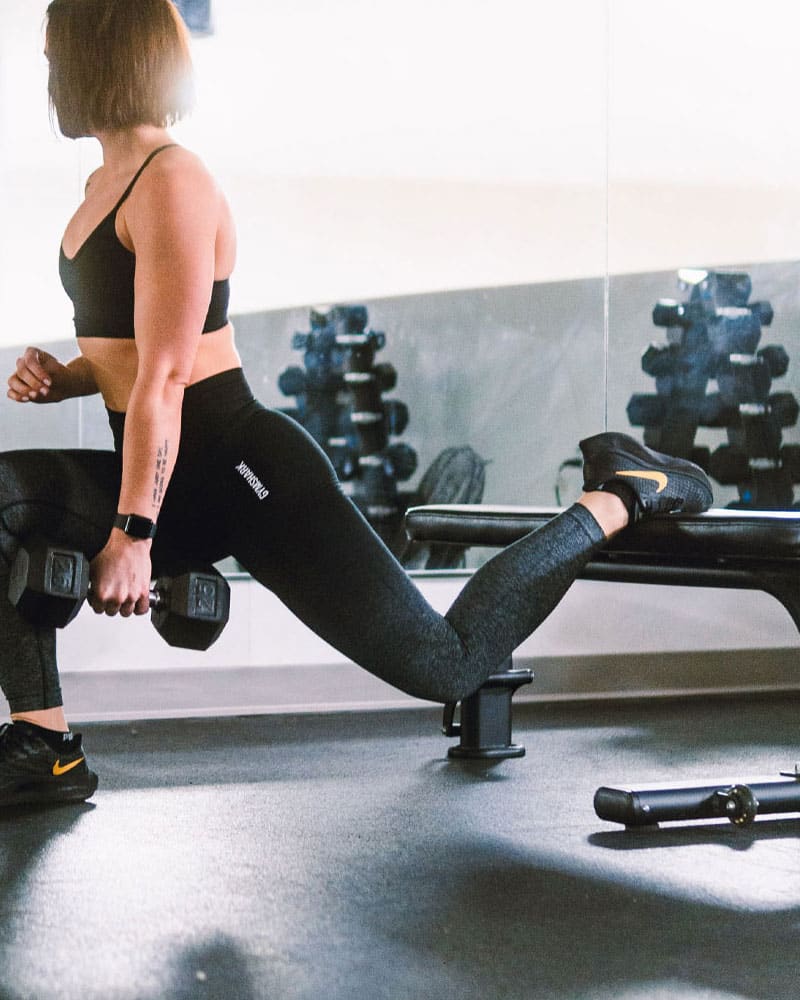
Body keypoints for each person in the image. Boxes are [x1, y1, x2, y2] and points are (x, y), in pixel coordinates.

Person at [0, 0, 713, 808]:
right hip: (162, 471)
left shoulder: (171, 181)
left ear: (97, 55)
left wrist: (132, 534)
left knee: (447, 664)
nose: (50, 69)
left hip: (243, 470)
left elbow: (170, 376)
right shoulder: (101, 185)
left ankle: (621, 493)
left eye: (56, 51)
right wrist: (71, 378)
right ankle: (44, 744)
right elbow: (140, 351)